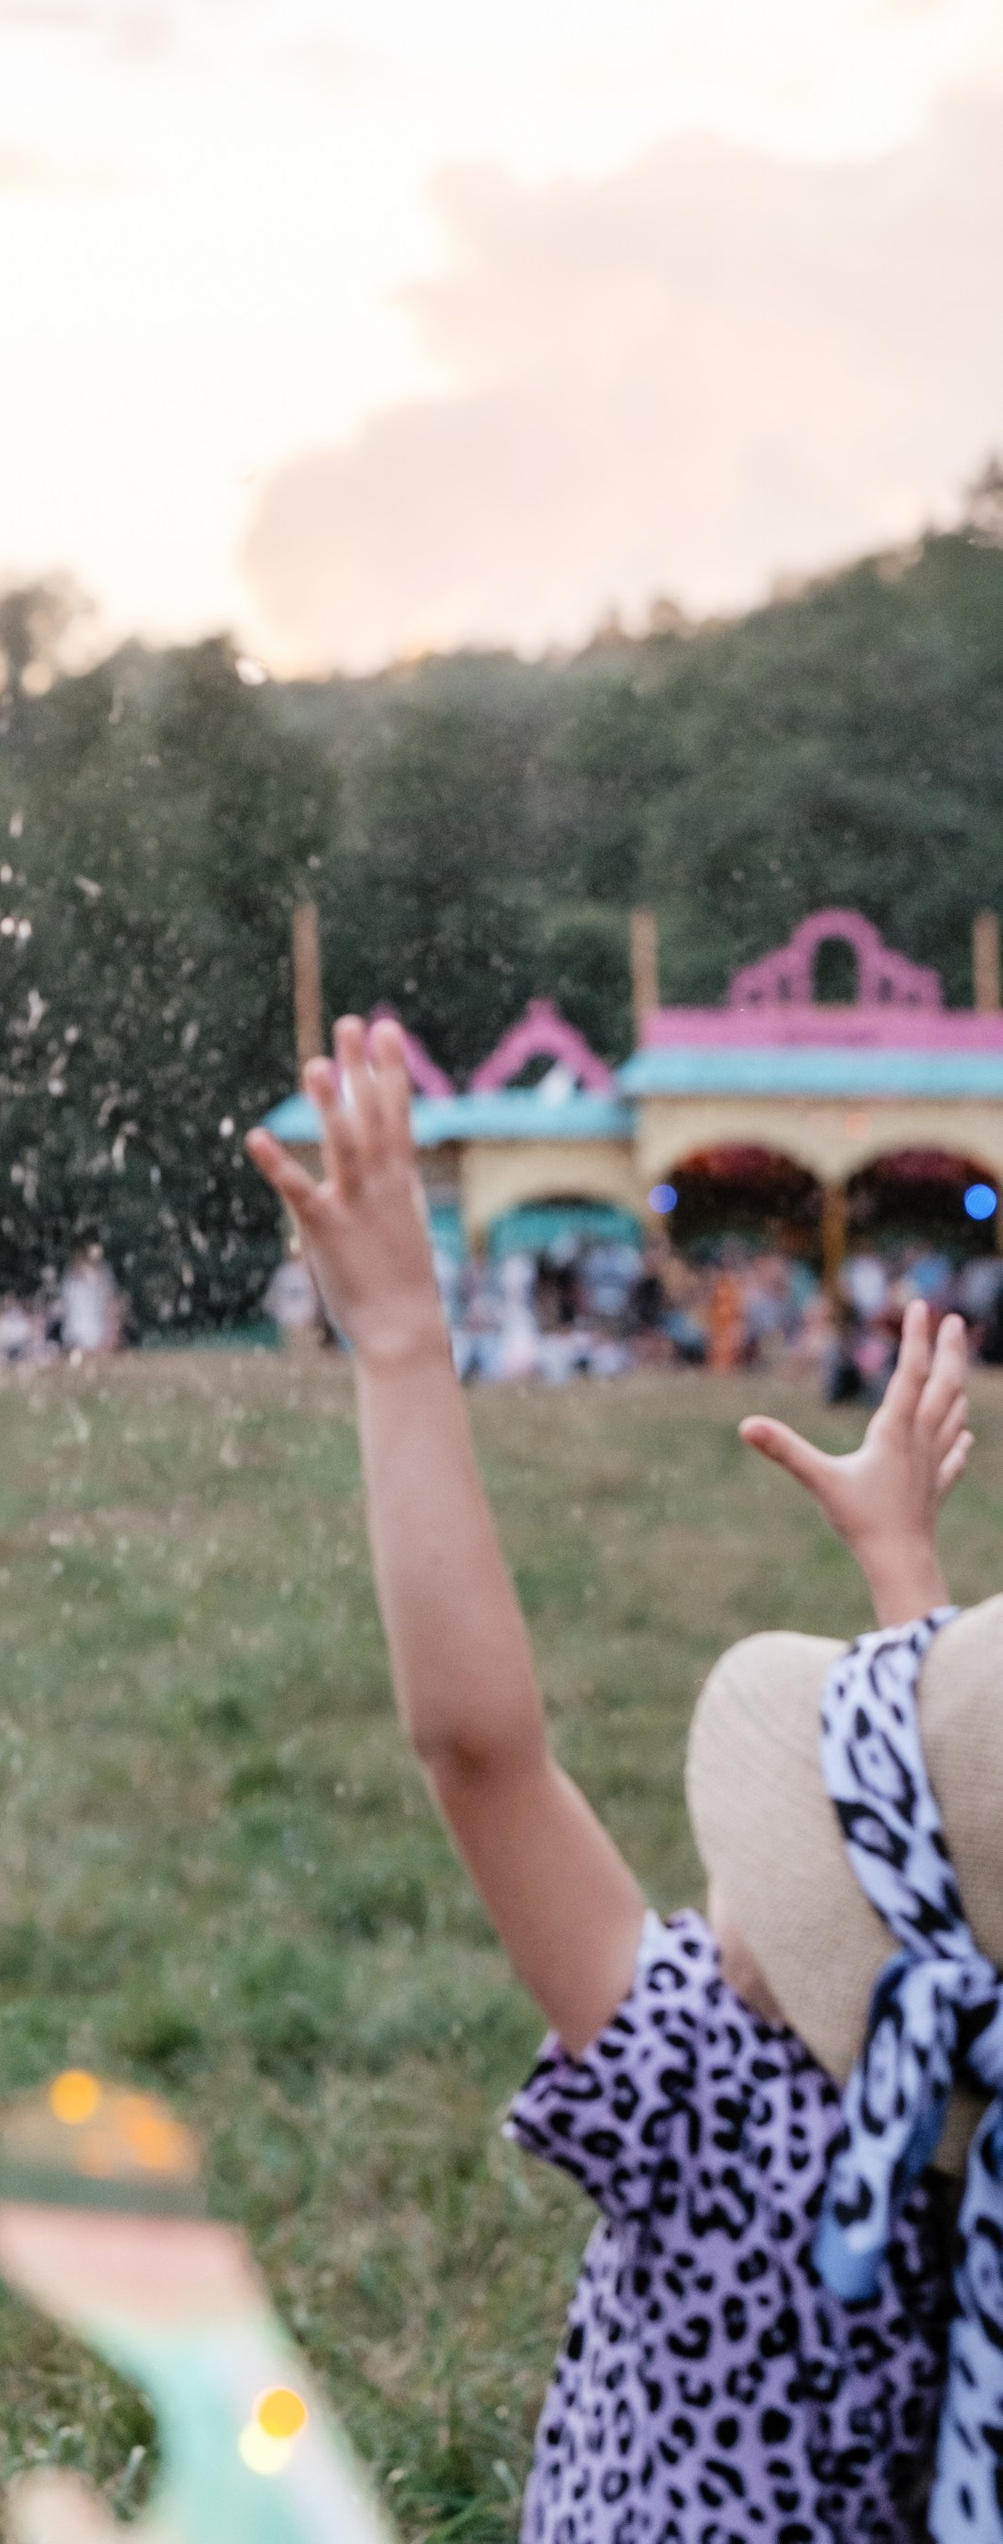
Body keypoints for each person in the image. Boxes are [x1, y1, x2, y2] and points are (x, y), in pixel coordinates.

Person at [251, 1018, 1002, 2544]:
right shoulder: (967, 2162)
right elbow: (963, 1849)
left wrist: (401, 1339)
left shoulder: (712, 2089)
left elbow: (481, 1746)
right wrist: (900, 1563)